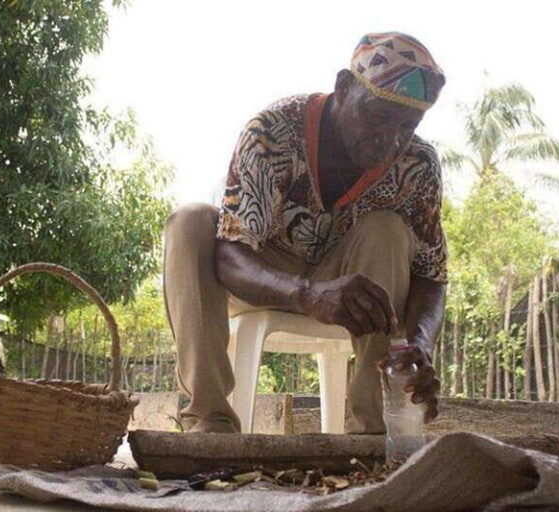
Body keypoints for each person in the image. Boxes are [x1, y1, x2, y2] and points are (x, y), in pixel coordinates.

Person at [165, 32, 447, 434]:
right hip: (256, 276)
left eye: (408, 125)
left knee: (387, 229)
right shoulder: (274, 131)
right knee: (191, 221)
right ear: (344, 87)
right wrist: (307, 293)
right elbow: (230, 254)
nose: (391, 138)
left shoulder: (417, 165)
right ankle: (209, 421)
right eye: (378, 115)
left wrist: (420, 343)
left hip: (347, 284)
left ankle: (371, 429)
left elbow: (431, 274)